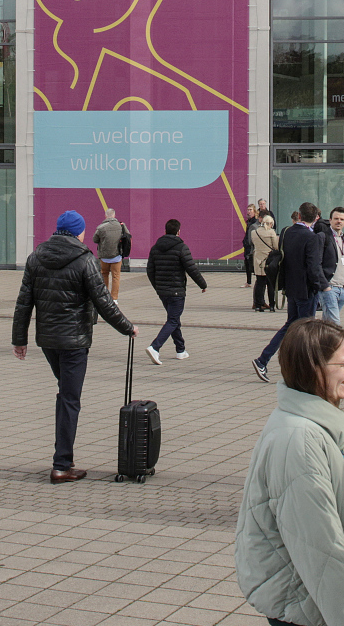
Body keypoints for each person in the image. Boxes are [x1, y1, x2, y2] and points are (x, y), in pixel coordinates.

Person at [233, 318, 344, 626]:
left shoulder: (314, 422)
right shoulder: (300, 439)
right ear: (315, 369)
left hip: (311, 596)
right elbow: (321, 547)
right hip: (308, 606)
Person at [11, 210, 135, 482]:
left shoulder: (36, 257)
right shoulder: (84, 260)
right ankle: (61, 465)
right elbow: (104, 302)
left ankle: (63, 456)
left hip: (48, 341)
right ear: (78, 232)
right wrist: (129, 328)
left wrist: (19, 340)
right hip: (74, 342)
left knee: (65, 393)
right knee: (70, 399)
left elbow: (24, 302)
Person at [254, 203, 331, 382]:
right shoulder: (311, 237)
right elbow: (313, 266)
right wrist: (320, 286)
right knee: (305, 330)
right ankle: (303, 368)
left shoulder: (287, 232)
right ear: (316, 218)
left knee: (291, 325)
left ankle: (264, 359)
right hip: (306, 290)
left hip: (291, 288)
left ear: (299, 214)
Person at [143, 217, 206, 364]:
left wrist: (157, 286)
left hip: (162, 292)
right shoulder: (181, 247)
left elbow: (150, 270)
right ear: (178, 231)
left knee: (174, 319)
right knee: (172, 320)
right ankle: (155, 347)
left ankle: (180, 350)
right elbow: (191, 268)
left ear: (165, 231)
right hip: (177, 292)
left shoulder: (155, 247)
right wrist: (202, 284)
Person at [318, 207, 344, 323]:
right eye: (336, 218)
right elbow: (317, 263)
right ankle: (337, 342)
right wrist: (325, 286)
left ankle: (321, 340)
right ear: (330, 220)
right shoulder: (323, 237)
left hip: (342, 289)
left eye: (342, 219)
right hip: (329, 287)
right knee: (335, 323)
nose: (339, 221)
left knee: (328, 323)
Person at [94, 207, 128, 302]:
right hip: (117, 255)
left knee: (104, 275)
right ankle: (114, 298)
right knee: (116, 276)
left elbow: (95, 239)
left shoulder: (101, 227)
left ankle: (105, 297)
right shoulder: (121, 226)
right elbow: (128, 236)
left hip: (104, 256)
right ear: (114, 215)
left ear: (105, 216)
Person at [250, 212, 282, 312]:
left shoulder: (254, 232)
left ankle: (258, 305)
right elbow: (276, 247)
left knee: (259, 283)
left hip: (258, 260)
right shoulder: (271, 233)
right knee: (270, 284)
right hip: (269, 260)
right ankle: (272, 306)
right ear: (270, 223)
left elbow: (253, 244)